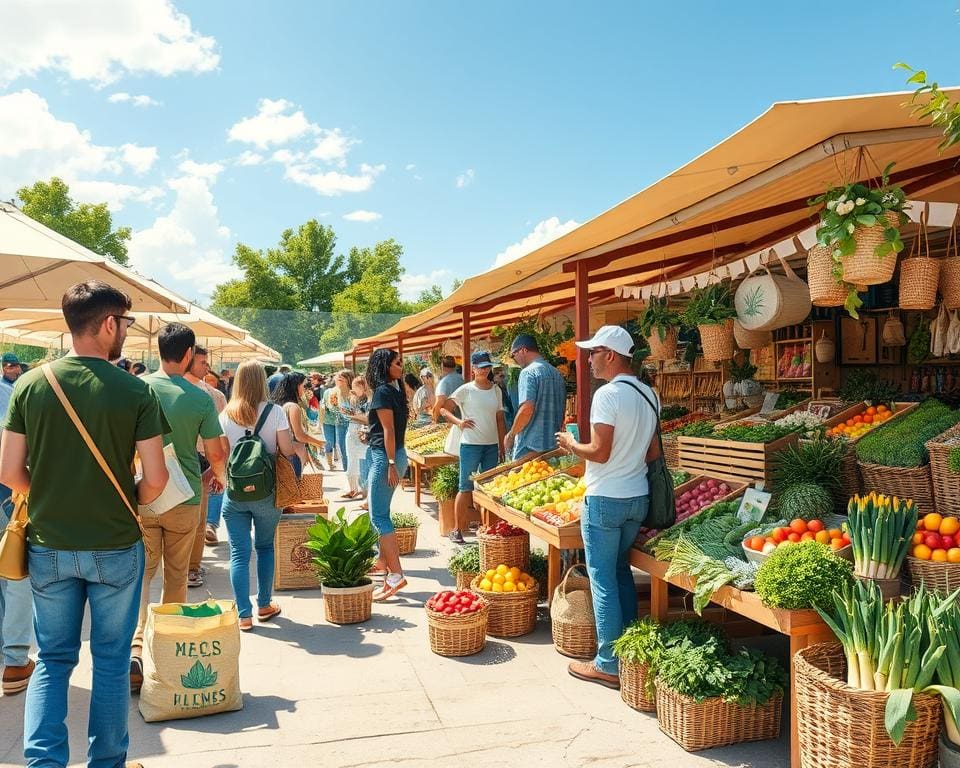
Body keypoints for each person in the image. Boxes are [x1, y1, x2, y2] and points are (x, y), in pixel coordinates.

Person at [0, 280, 169, 768]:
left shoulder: (31, 384)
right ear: (110, 323)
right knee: (112, 662)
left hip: (49, 543)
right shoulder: (135, 391)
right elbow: (155, 479)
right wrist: (117, 499)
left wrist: (53, 495)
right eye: (127, 323)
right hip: (115, 542)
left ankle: (44, 763)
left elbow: (9, 471)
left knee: (53, 659)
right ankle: (106, 762)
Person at [555, 326, 656, 690]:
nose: (589, 359)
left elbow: (598, 451)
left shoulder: (607, 395)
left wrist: (570, 443)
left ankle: (608, 663)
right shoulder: (649, 394)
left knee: (602, 581)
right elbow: (653, 452)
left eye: (593, 352)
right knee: (620, 572)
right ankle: (629, 652)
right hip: (637, 496)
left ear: (610, 354)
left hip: (605, 498)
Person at [132, 324, 225, 691]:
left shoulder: (138, 389)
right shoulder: (200, 396)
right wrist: (220, 476)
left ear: (158, 349)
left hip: (143, 494)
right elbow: (215, 452)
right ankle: (169, 653)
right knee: (176, 576)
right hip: (184, 495)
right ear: (188, 354)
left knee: (141, 574)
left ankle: (136, 648)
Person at [219, 361, 296, 631]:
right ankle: (264, 605)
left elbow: (222, 455)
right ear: (262, 381)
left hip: (235, 494)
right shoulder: (275, 412)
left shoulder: (226, 414)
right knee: (264, 548)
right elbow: (286, 449)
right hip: (267, 492)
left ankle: (244, 615)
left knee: (238, 553)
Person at [439, 351, 506, 545]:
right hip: (470, 445)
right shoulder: (466, 390)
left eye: (487, 367)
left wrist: (502, 444)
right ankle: (457, 529)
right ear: (473, 369)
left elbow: (499, 418)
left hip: (491, 446)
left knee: (489, 489)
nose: (484, 370)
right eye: (481, 367)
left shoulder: (496, 390)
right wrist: (459, 422)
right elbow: (444, 408)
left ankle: (488, 529)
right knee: (465, 487)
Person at [0, 350, 33, 696]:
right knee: (15, 572)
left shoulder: (14, 389)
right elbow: (12, 465)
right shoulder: (11, 392)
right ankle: (14, 659)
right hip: (7, 494)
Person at [365, 348, 410, 601]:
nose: (400, 366)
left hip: (386, 457)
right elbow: (384, 428)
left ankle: (396, 575)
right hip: (392, 455)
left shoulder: (384, 391)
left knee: (379, 517)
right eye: (397, 363)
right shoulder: (394, 390)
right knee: (382, 512)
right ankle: (382, 562)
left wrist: (391, 462)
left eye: (399, 362)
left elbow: (389, 430)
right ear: (385, 366)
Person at [183, 345, 227, 559]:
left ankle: (193, 562)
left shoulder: (215, 395)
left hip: (203, 459)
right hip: (190, 458)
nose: (208, 367)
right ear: (187, 359)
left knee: (198, 516)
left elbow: (221, 435)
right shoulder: (213, 395)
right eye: (203, 362)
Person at [503, 334, 566, 460]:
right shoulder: (556, 373)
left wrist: (511, 435)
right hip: (553, 447)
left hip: (530, 447)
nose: (514, 359)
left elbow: (527, 409)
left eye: (513, 354)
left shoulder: (528, 373)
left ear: (523, 350)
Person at [271, 371, 325, 477]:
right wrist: (319, 443)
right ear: (296, 386)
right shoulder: (294, 407)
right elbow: (299, 435)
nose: (306, 388)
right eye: (304, 385)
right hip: (295, 453)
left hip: (280, 453)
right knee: (297, 487)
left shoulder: (278, 406)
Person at [341, 376, 369, 499]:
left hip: (362, 433)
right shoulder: (353, 399)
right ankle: (353, 489)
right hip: (351, 431)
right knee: (351, 458)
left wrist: (351, 415)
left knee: (362, 461)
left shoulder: (368, 401)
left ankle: (364, 491)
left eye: (355, 387)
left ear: (362, 387)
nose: (353, 389)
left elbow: (367, 418)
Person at [324, 369, 353, 473]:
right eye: (338, 377)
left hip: (354, 424)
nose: (339, 378)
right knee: (343, 448)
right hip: (340, 423)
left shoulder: (353, 392)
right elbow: (331, 408)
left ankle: (353, 472)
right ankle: (347, 471)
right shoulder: (332, 392)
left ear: (349, 379)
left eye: (342, 377)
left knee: (351, 449)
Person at [431, 355, 464, 423]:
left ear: (442, 367)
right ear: (455, 366)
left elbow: (439, 402)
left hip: (450, 421)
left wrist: (435, 420)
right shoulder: (463, 379)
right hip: (465, 418)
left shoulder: (443, 383)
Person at [319, 374, 339, 471]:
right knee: (330, 442)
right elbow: (324, 405)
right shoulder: (327, 392)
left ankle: (333, 463)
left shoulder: (327, 391)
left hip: (335, 421)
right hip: (330, 420)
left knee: (333, 442)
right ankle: (330, 464)